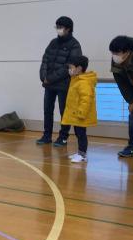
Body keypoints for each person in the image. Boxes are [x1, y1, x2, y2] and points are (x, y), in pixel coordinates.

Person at [37, 16, 82, 147]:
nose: (58, 29)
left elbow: (69, 66)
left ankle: (63, 137)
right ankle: (47, 135)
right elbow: (45, 60)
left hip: (64, 85)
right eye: (56, 27)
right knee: (47, 110)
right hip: (49, 84)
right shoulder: (53, 43)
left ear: (68, 29)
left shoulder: (74, 45)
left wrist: (50, 78)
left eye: (60, 27)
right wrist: (43, 76)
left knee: (64, 112)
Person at [61, 56, 97, 163]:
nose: (69, 70)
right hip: (76, 115)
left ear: (79, 68)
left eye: (71, 67)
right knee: (78, 133)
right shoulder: (75, 80)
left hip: (81, 115)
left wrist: (81, 113)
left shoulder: (84, 82)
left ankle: (82, 154)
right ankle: (80, 152)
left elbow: (86, 99)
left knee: (81, 134)